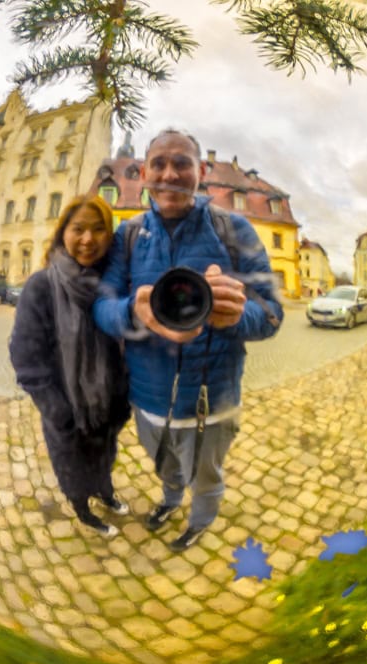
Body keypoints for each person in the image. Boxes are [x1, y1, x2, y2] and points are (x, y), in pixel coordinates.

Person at [92, 129, 283, 552]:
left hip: (212, 403)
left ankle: (200, 519)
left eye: (182, 164)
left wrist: (236, 315)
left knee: (207, 473)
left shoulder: (234, 229)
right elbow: (101, 306)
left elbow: (272, 314)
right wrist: (131, 310)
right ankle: (170, 501)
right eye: (158, 164)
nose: (170, 174)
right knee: (165, 465)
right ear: (142, 174)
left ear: (200, 174)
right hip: (148, 399)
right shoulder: (129, 235)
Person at [9, 195, 131, 538]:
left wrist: (122, 396)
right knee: (73, 468)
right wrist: (57, 410)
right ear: (64, 232)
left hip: (107, 405)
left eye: (98, 229)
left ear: (109, 236)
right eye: (78, 229)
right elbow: (25, 356)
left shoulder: (113, 287)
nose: (88, 239)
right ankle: (83, 510)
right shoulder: (41, 286)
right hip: (67, 409)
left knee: (104, 458)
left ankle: (105, 493)